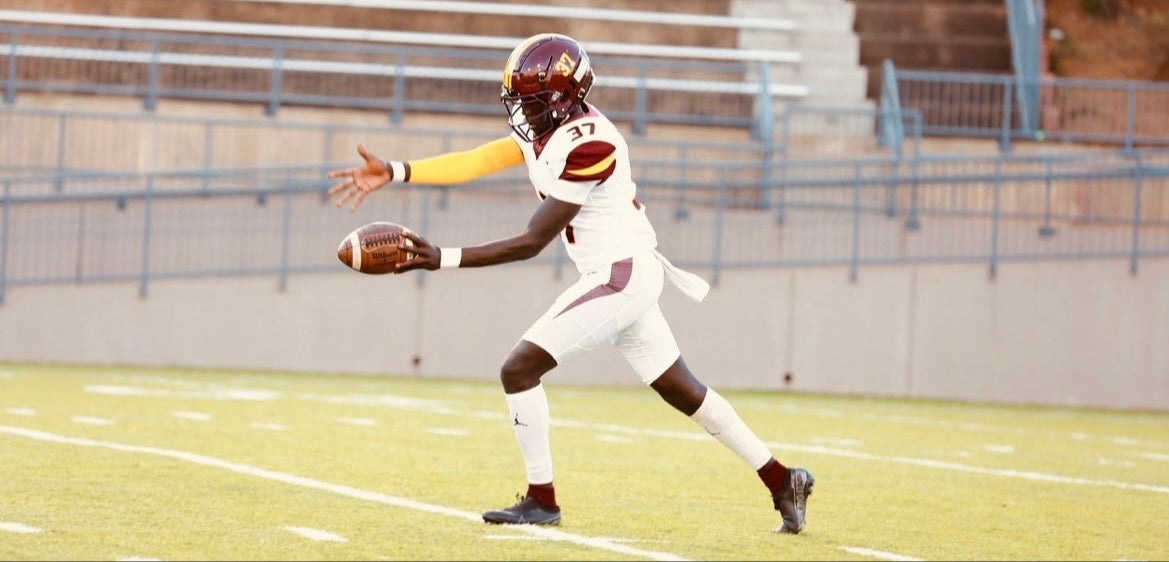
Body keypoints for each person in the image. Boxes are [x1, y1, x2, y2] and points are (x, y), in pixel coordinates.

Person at [325, 32, 814, 534]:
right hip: (618, 273)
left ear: (562, 98)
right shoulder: (546, 125)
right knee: (683, 391)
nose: (521, 111)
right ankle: (783, 479)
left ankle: (541, 499)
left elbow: (534, 240)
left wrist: (441, 258)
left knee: (518, 368)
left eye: (530, 101)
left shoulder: (590, 142)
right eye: (517, 100)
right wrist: (397, 171)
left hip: (620, 274)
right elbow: (479, 160)